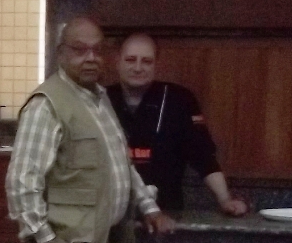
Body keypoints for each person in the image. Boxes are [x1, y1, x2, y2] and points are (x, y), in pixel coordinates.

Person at [6, 15, 175, 243]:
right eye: (80, 50)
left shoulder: (100, 99)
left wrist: (149, 208)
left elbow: (122, 165)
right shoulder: (46, 105)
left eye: (97, 50)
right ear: (61, 54)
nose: (91, 58)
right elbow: (21, 184)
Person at [106, 33, 248, 216]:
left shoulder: (179, 99)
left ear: (157, 64)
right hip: (112, 213)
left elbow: (203, 157)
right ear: (117, 61)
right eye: (131, 60)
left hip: (167, 212)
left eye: (147, 61)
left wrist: (225, 199)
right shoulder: (100, 98)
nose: (138, 68)